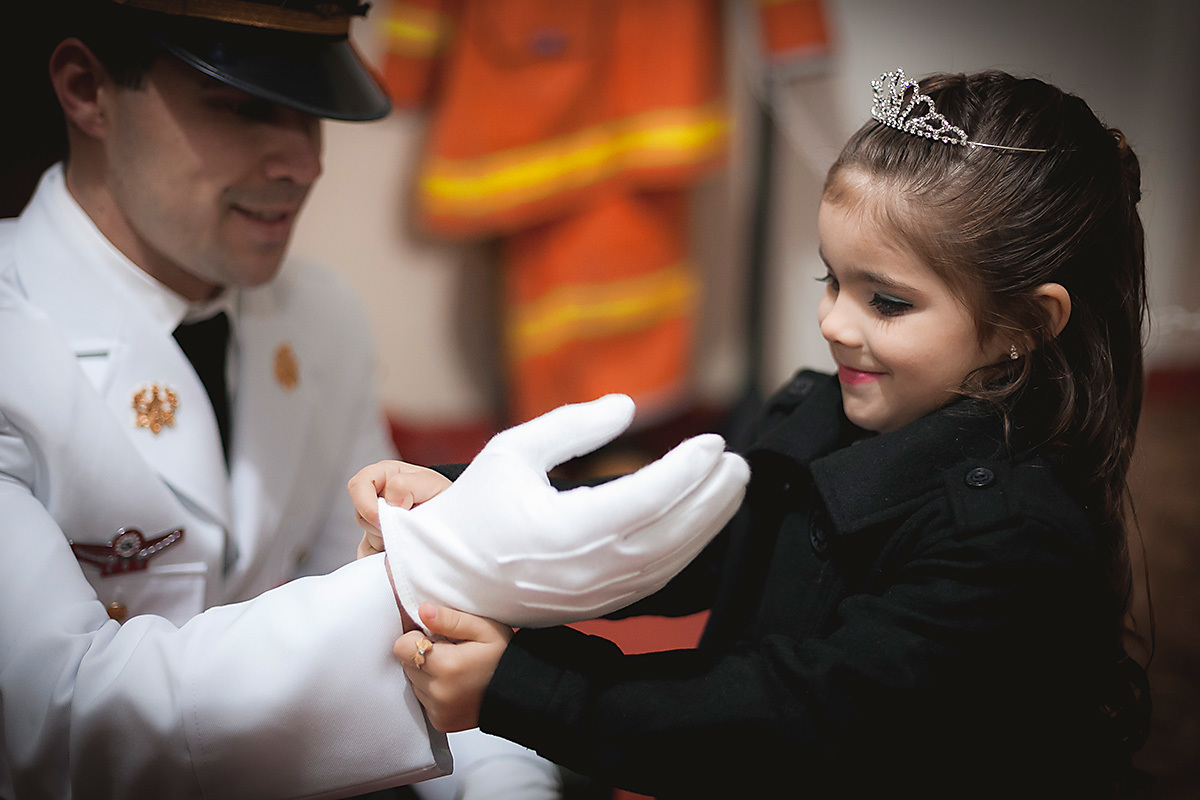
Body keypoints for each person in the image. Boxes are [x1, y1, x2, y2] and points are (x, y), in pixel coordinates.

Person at [0, 1, 750, 796]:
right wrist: (432, 572)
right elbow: (59, 721)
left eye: (312, 109)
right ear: (87, 90)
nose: (303, 161)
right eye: (243, 106)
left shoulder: (320, 316)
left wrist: (505, 783)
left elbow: (405, 637)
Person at [353, 68, 1155, 797]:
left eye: (888, 302)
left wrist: (522, 687)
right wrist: (462, 503)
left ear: (1026, 321)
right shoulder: (817, 413)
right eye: (831, 279)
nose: (833, 323)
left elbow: (791, 719)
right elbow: (670, 526)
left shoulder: (1011, 538)